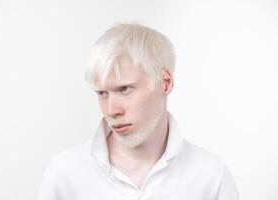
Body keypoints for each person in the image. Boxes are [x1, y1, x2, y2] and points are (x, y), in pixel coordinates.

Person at [37, 23, 239, 200]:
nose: (111, 111)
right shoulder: (64, 173)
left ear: (165, 82)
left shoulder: (211, 175)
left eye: (124, 89)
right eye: (102, 93)